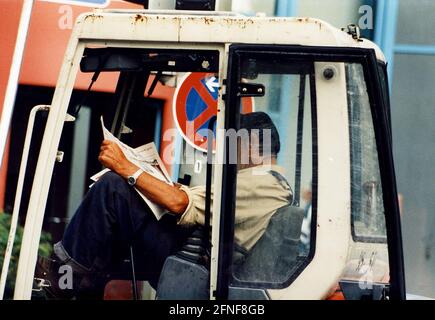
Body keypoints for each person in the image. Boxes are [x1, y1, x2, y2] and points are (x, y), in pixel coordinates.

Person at [36, 112, 293, 299]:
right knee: (121, 206)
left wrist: (127, 167)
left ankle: (65, 278)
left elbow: (180, 203)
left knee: (114, 187)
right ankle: (81, 281)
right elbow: (188, 197)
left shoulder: (263, 183)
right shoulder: (260, 182)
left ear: (248, 145)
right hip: (197, 255)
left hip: (199, 266)